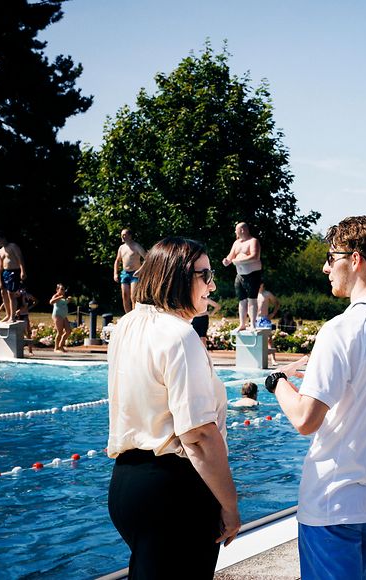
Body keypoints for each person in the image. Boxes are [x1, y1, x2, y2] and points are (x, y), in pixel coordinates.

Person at [265, 216, 366, 580]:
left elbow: (305, 419)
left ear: (355, 260)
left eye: (330, 256)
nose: (325, 267)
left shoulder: (341, 329)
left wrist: (277, 383)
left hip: (333, 500)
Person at [107, 236, 239, 578]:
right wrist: (230, 504)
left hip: (127, 485)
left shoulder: (128, 326)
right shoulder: (180, 336)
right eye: (205, 274)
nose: (213, 283)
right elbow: (197, 435)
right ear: (178, 276)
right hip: (174, 492)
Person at [222, 222, 262, 331]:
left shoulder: (253, 241)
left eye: (236, 230)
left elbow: (255, 257)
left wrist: (238, 260)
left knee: (252, 300)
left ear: (242, 230)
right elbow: (230, 256)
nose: (235, 232)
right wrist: (227, 261)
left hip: (252, 275)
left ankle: (253, 324)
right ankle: (242, 324)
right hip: (240, 275)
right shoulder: (236, 243)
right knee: (242, 301)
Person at [113, 228, 147, 314]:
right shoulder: (121, 248)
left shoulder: (136, 246)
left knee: (133, 297)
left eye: (124, 235)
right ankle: (127, 315)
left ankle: (134, 315)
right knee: (125, 296)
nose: (122, 237)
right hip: (125, 273)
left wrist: (140, 270)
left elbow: (147, 259)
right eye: (122, 235)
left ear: (130, 236)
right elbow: (117, 260)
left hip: (135, 274)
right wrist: (115, 274)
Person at [0, 232, 26, 322]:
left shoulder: (13, 246)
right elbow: (0, 267)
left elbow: (20, 258)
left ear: (4, 238)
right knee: (3, 293)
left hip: (14, 271)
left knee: (11, 293)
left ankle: (12, 316)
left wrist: (23, 271)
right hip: (5, 273)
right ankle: (8, 314)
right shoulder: (0, 251)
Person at [15, 287, 38, 354]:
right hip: (16, 315)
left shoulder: (27, 295)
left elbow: (35, 301)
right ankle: (18, 349)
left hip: (24, 314)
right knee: (18, 332)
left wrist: (29, 308)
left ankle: (30, 351)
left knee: (28, 333)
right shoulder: (16, 294)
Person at [49, 284, 71, 353]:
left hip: (64, 316)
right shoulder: (56, 296)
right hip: (57, 315)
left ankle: (61, 345)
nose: (63, 291)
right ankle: (56, 348)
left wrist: (68, 300)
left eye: (63, 289)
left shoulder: (63, 297)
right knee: (60, 332)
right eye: (61, 289)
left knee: (68, 331)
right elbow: (51, 302)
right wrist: (59, 297)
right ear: (57, 290)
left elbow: (64, 303)